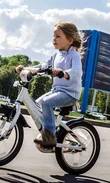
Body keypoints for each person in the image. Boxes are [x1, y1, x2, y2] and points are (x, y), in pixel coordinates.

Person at [16, 21, 83, 149]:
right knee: (37, 104)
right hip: (57, 91)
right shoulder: (56, 56)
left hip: (69, 93)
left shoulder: (74, 55)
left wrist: (63, 73)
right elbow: (42, 67)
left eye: (58, 36)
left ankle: (50, 136)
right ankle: (52, 127)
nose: (54, 39)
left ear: (69, 40)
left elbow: (76, 71)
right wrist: (26, 68)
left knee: (46, 103)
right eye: (53, 36)